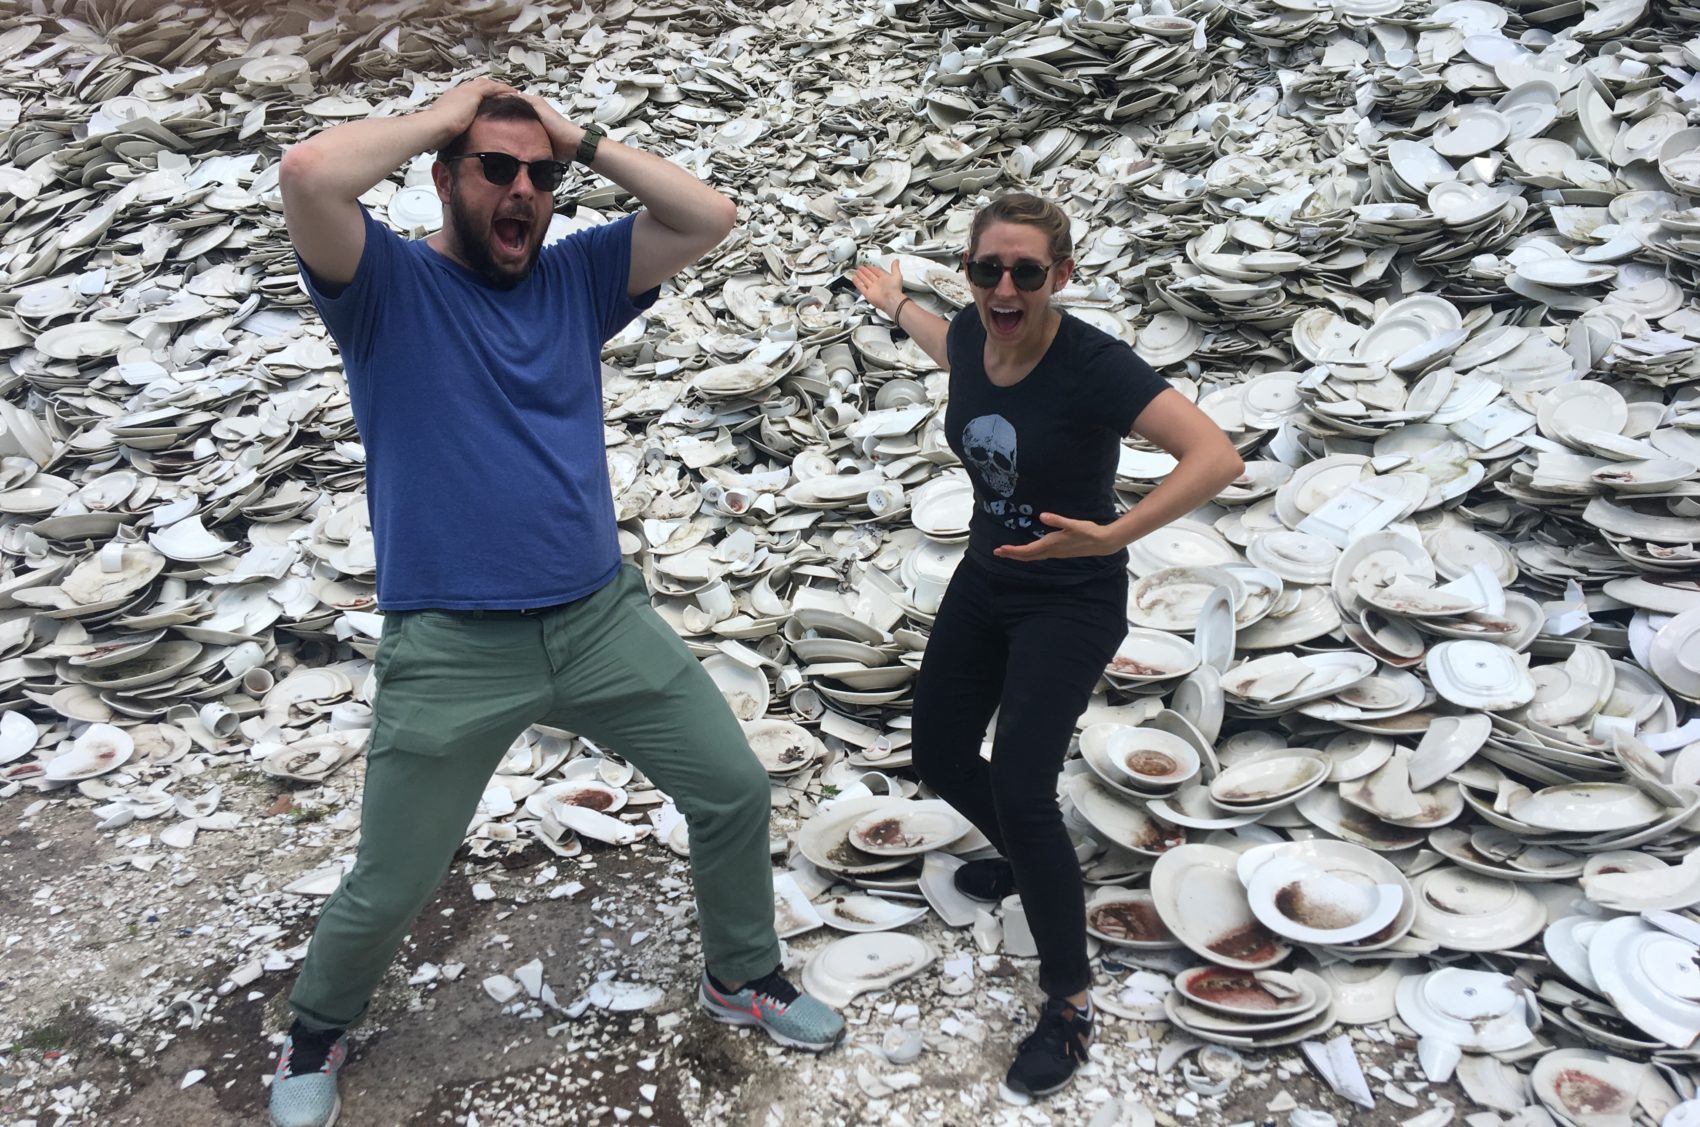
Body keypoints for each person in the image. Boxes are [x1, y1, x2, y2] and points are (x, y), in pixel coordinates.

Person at [269, 77, 843, 1127]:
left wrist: (575, 136)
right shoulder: (383, 285)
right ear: (444, 175)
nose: (522, 189)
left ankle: (741, 973)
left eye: (541, 176)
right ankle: (317, 1026)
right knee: (392, 878)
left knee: (732, 789)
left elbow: (707, 216)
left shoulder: (575, 277)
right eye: (496, 168)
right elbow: (309, 174)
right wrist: (451, 113)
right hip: (449, 643)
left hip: (596, 621)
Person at [852, 193, 1243, 1098]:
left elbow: (1215, 457)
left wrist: (1114, 535)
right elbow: (939, 338)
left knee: (1023, 784)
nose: (1005, 286)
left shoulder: (1093, 363)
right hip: (988, 581)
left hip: (1071, 599)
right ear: (970, 271)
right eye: (988, 268)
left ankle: (1068, 995)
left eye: (1027, 271)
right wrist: (894, 301)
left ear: (1061, 276)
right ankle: (1040, 854)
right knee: (941, 752)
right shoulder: (967, 330)